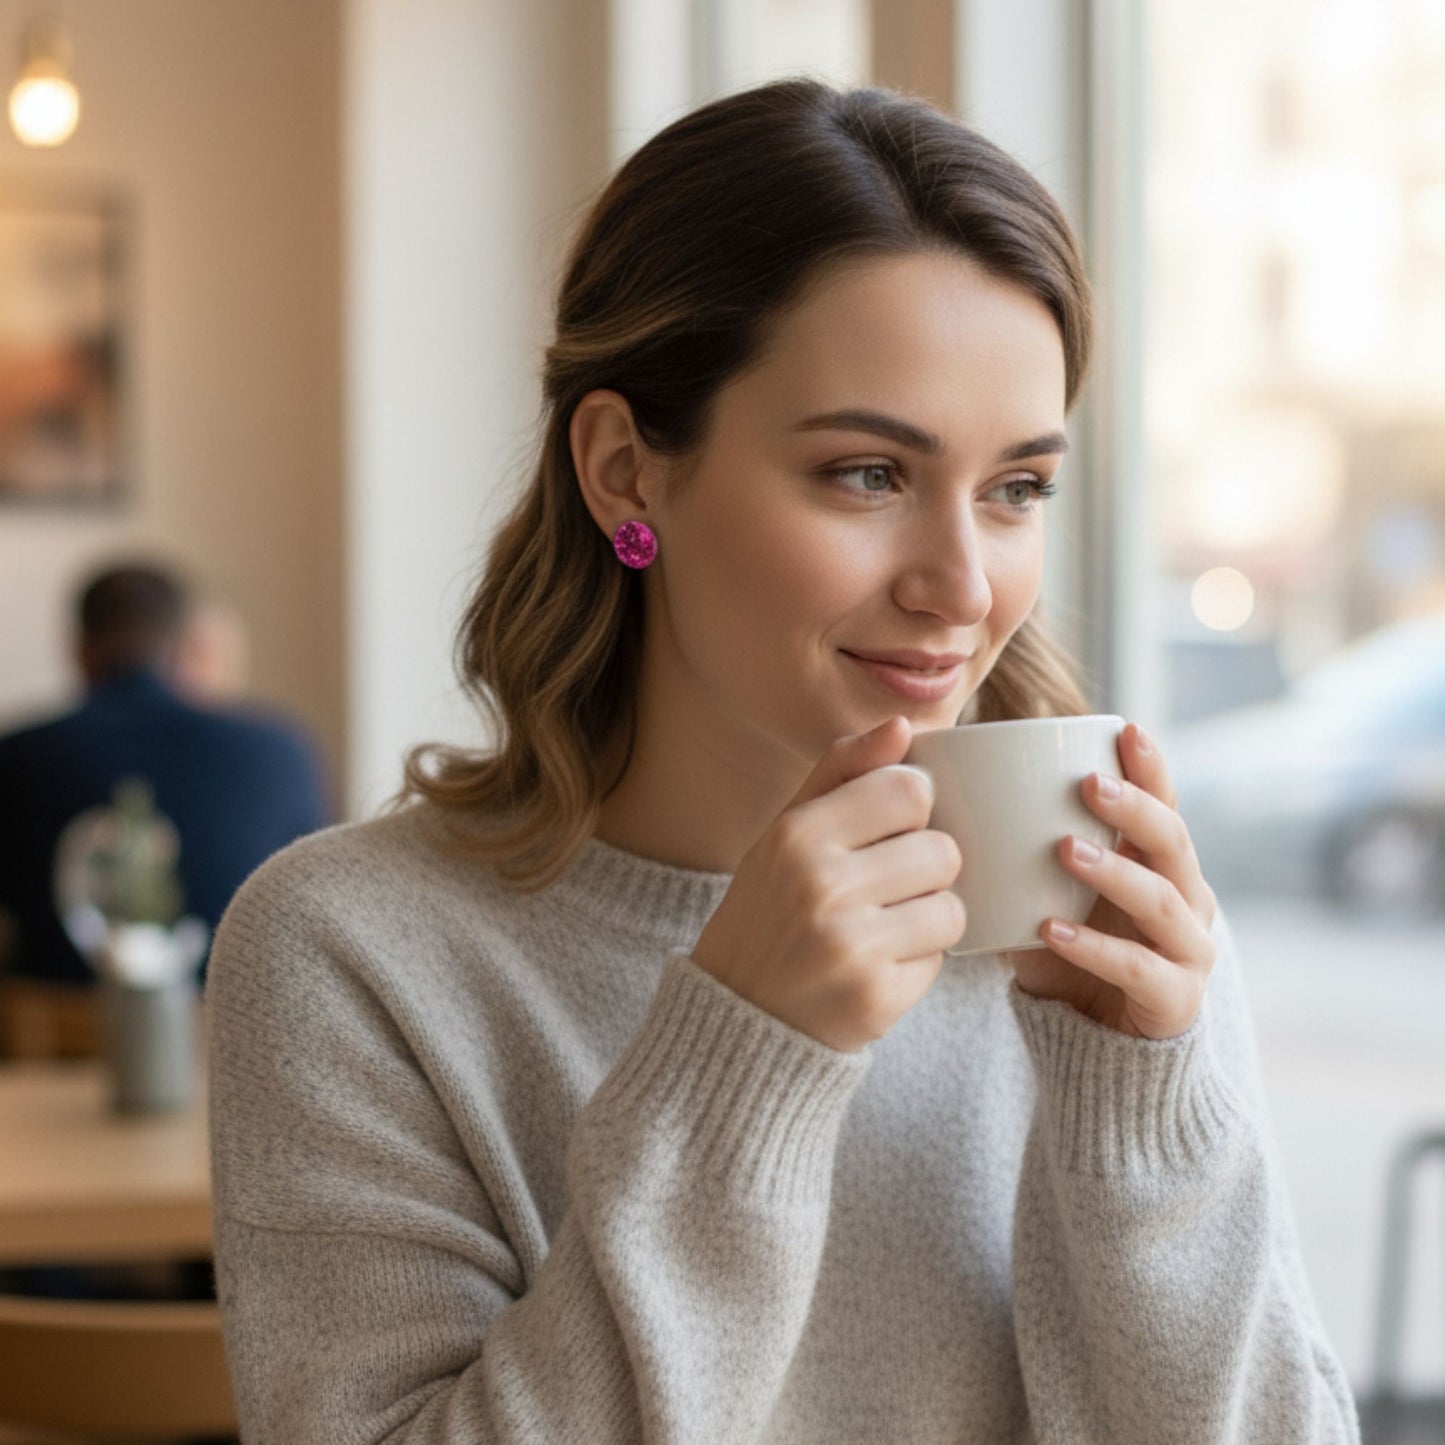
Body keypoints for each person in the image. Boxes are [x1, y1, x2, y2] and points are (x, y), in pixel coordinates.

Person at [206, 80, 1359, 1442]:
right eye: (868, 474)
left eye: (1017, 489)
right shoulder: (348, 951)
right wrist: (744, 1058)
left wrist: (1144, 1117)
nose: (963, 586)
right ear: (626, 470)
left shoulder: (1100, 919)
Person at [0, 561, 329, 988]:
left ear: (79, 648)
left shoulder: (15, 754)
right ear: (186, 647)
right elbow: (309, 900)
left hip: (51, 1038)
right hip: (228, 1027)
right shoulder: (279, 749)